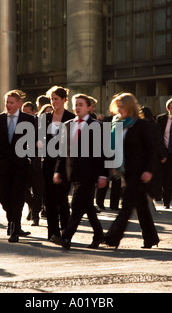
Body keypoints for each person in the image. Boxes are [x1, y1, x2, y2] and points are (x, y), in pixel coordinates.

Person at [104, 93, 159, 249]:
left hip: (140, 172)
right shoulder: (119, 124)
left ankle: (112, 237)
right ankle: (151, 238)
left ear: (129, 107)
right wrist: (115, 164)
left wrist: (149, 170)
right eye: (118, 107)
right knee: (141, 205)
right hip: (128, 171)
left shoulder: (141, 125)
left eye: (122, 107)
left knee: (127, 204)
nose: (119, 110)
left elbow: (151, 149)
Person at [53, 94, 108, 250]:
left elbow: (102, 153)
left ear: (90, 107)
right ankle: (98, 235)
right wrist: (58, 171)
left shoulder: (97, 126)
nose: (77, 107)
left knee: (76, 205)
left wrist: (103, 174)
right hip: (72, 172)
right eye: (76, 104)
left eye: (81, 104)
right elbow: (62, 151)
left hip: (89, 173)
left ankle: (66, 237)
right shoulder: (68, 125)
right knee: (88, 207)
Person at [0, 90, 35, 243]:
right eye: (6, 102)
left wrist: (29, 156)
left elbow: (33, 141)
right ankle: (11, 220)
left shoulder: (29, 119)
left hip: (21, 166)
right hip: (3, 165)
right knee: (3, 196)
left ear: (19, 104)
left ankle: (15, 228)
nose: (8, 105)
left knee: (17, 198)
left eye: (11, 103)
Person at [39, 86, 75, 242]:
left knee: (62, 198)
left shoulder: (71, 117)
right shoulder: (44, 117)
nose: (53, 102)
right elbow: (39, 137)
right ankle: (53, 233)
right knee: (49, 199)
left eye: (56, 99)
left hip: (65, 163)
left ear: (64, 100)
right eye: (51, 99)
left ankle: (66, 232)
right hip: (47, 163)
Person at [142, 106, 167, 202]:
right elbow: (159, 141)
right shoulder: (154, 125)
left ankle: (147, 194)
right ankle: (156, 195)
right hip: (154, 154)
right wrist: (163, 155)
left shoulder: (139, 125)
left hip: (142, 154)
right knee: (156, 176)